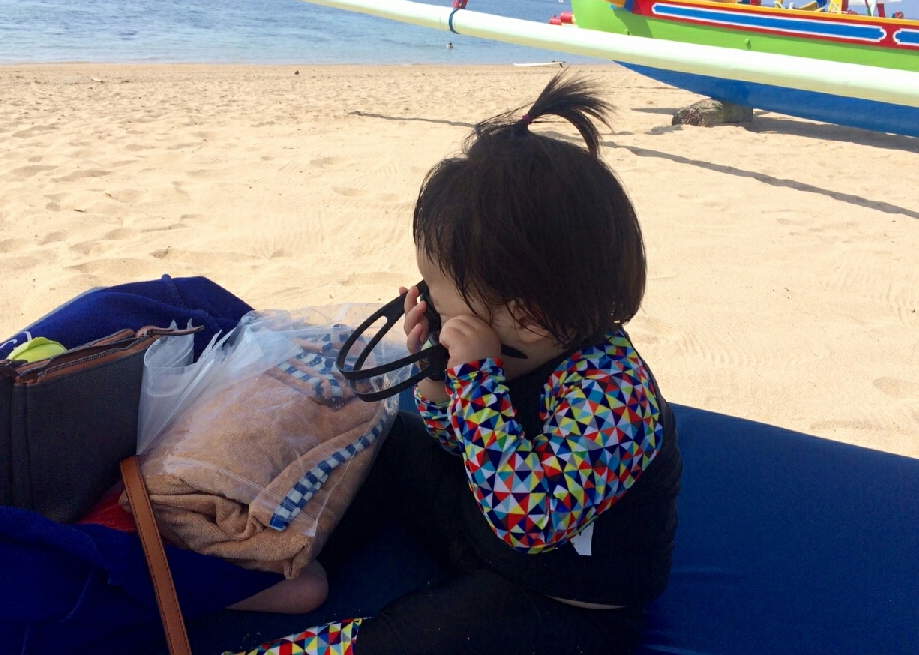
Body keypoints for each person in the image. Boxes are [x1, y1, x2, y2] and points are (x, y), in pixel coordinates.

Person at [229, 73, 682, 655]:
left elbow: (529, 521)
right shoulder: (525, 346)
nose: (427, 301)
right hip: (480, 518)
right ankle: (293, 561)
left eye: (439, 296)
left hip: (560, 596)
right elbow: (457, 446)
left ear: (529, 318)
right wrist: (440, 379)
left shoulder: (613, 396)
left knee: (418, 639)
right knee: (391, 445)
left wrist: (476, 380)